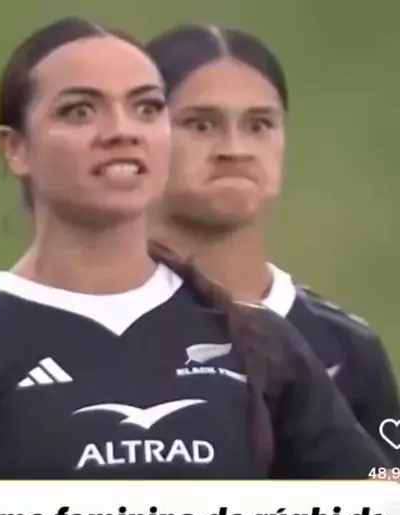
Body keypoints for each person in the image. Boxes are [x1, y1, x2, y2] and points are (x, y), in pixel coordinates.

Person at [0, 17, 392, 515]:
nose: (122, 131)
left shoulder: (261, 338)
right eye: (80, 111)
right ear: (16, 148)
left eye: (146, 108)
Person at [146, 24, 400, 459]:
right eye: (201, 124)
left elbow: (386, 492)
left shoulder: (347, 348)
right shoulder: (95, 328)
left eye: (259, 125)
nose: (235, 149)